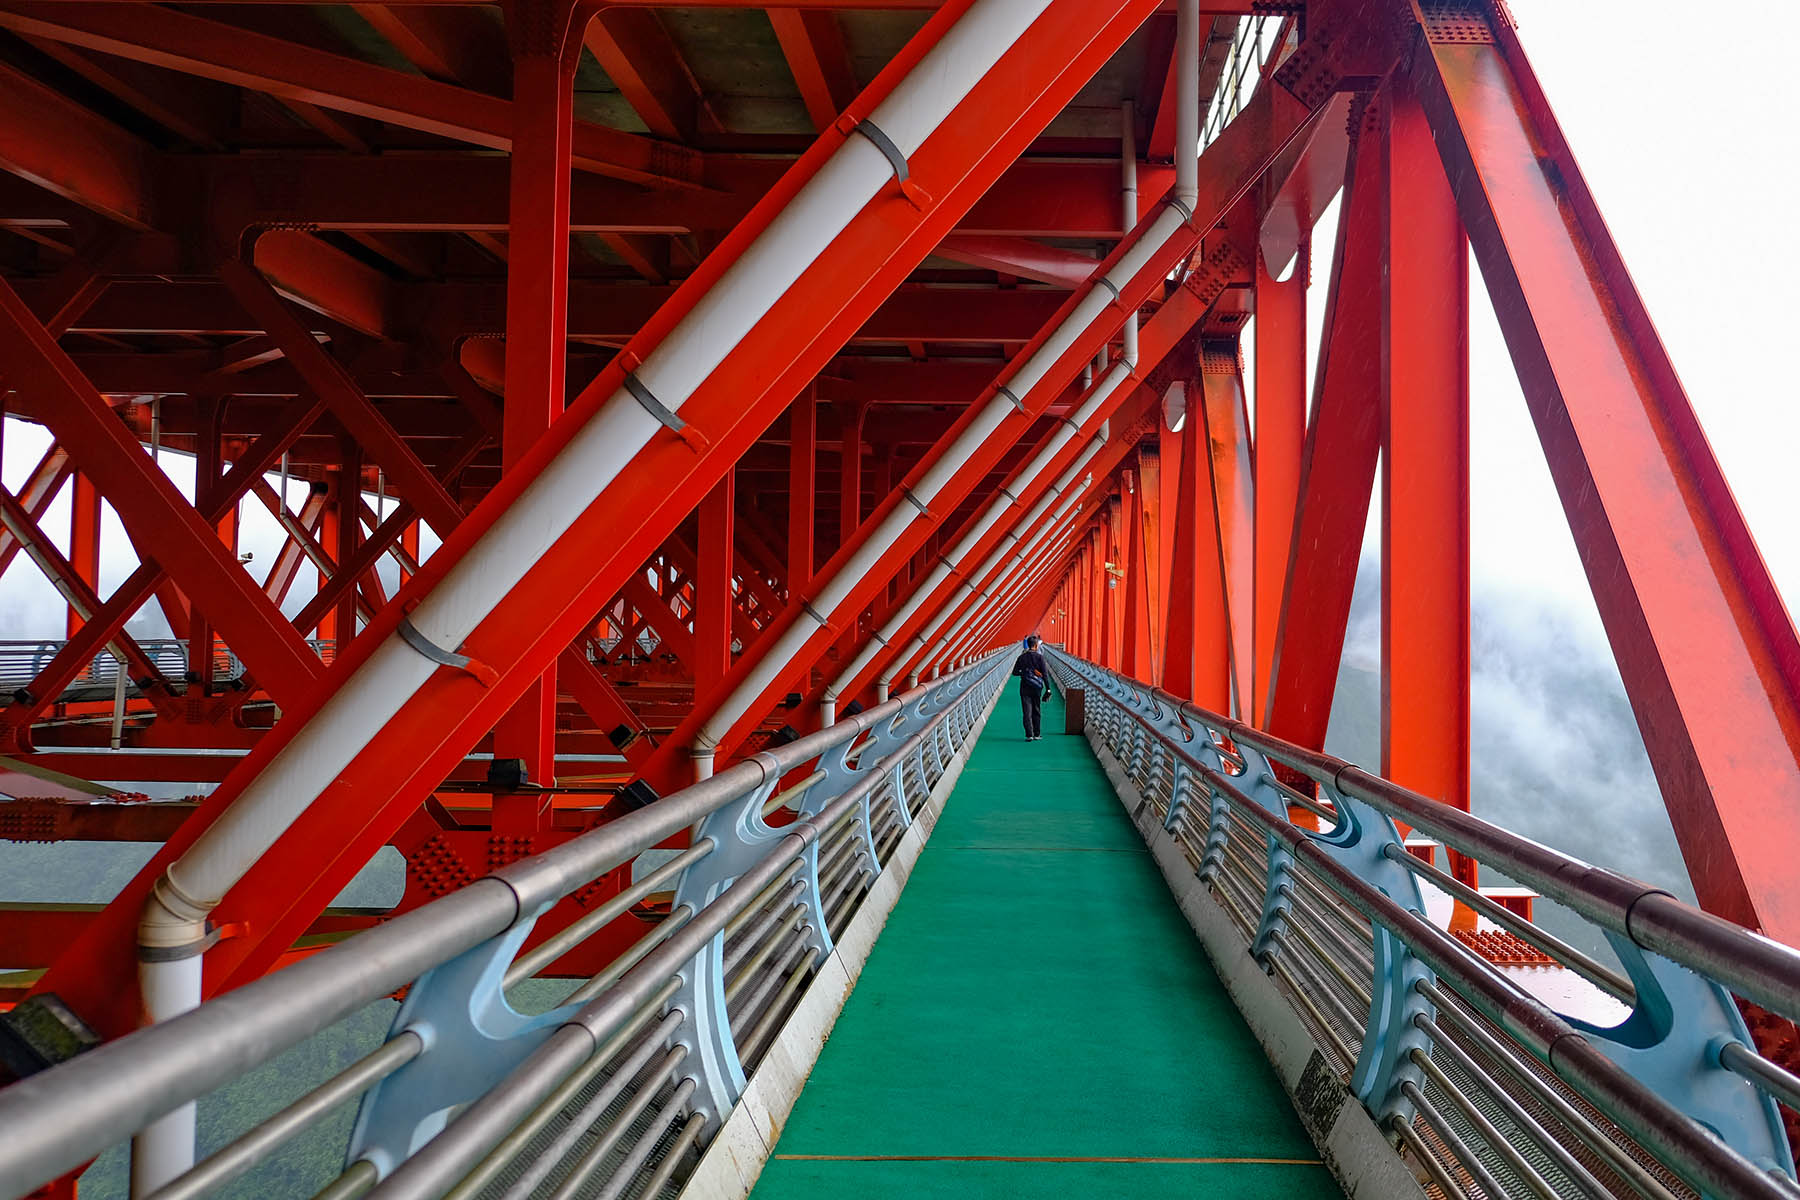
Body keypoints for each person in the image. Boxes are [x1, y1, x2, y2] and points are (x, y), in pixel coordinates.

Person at [1011, 634, 1051, 741]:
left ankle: (1029, 734)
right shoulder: (1040, 658)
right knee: (1036, 709)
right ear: (1036, 646)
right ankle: (1037, 734)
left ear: (1028, 645)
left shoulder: (1021, 658)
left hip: (1025, 686)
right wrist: (1048, 689)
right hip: (1037, 687)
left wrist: (1024, 672)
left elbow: (1014, 672)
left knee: (1026, 711)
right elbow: (1045, 674)